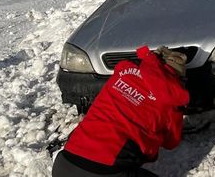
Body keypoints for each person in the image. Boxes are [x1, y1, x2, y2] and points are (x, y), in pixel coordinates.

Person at [52, 46, 190, 177]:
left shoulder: (123, 74)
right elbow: (171, 142)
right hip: (103, 172)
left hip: (64, 164)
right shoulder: (172, 99)